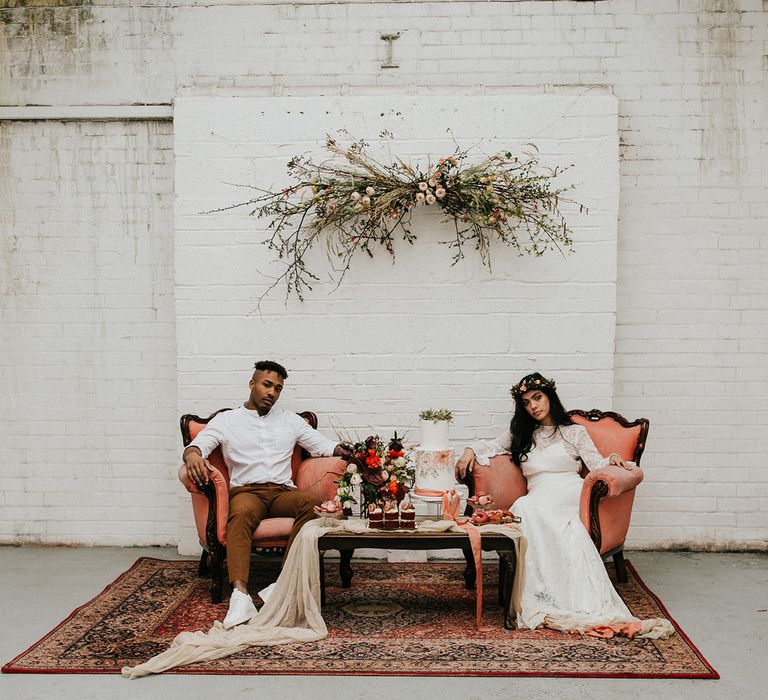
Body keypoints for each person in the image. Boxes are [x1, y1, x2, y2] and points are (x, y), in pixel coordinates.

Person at [455, 372, 673, 637]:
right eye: (526, 402)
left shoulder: (574, 432)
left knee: (534, 511)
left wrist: (613, 458)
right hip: (539, 493)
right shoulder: (521, 433)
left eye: (537, 398)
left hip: (570, 491)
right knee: (524, 508)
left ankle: (568, 594)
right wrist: (468, 451)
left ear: (550, 397)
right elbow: (488, 446)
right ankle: (541, 590)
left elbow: (597, 464)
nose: (533, 406)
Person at [182, 360, 351, 629]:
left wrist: (349, 451)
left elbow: (323, 446)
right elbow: (198, 446)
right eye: (267, 385)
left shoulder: (290, 421)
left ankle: (283, 583)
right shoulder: (226, 421)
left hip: (283, 492)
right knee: (241, 515)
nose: (272, 392)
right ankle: (240, 595)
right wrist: (191, 455)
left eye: (278, 388)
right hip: (247, 492)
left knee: (313, 506)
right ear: (252, 384)